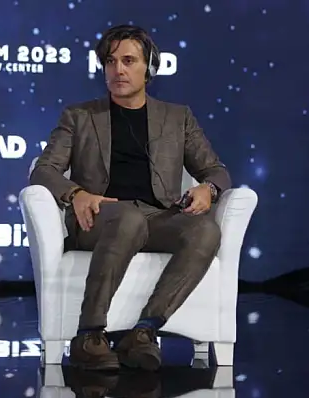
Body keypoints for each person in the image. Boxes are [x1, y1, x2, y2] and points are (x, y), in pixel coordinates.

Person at [30, 25, 232, 371]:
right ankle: (89, 336)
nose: (118, 70)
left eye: (128, 61)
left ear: (149, 68)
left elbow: (217, 171)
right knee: (128, 218)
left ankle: (144, 331)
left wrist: (208, 189)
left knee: (206, 230)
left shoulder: (178, 117)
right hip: (99, 219)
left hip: (157, 217)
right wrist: (76, 193)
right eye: (110, 62)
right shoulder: (79, 116)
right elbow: (43, 170)